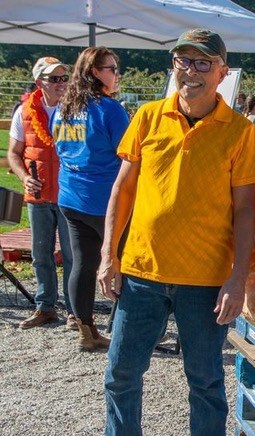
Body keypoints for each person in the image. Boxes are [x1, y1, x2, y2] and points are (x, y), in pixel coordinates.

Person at [98, 28, 255, 435]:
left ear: (222, 71)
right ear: (174, 65)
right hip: (142, 274)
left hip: (206, 283)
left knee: (206, 383)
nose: (190, 71)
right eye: (183, 60)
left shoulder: (240, 132)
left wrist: (237, 278)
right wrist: (110, 255)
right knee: (121, 375)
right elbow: (122, 190)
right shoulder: (148, 117)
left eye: (203, 63)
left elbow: (246, 211)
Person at [50, 46, 130, 351]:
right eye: (111, 69)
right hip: (104, 200)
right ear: (95, 73)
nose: (116, 74)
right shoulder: (109, 109)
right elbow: (127, 152)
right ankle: (128, 330)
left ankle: (86, 329)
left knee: (82, 264)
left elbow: (57, 145)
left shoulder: (64, 107)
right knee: (123, 264)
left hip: (70, 196)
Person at [7, 57, 74, 330]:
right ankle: (45, 307)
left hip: (70, 194)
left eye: (63, 78)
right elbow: (13, 153)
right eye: (53, 79)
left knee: (72, 256)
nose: (60, 83)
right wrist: (24, 178)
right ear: (39, 83)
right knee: (41, 254)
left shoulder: (76, 110)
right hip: (39, 193)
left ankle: (75, 310)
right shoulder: (24, 112)